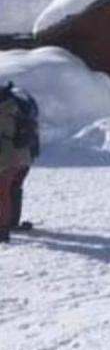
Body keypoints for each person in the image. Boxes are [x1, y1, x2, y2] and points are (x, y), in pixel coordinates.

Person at [0, 82, 38, 242]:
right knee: (13, 187)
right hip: (25, 154)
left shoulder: (4, 110)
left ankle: (2, 231)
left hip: (7, 156)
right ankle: (11, 223)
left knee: (2, 192)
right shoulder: (19, 102)